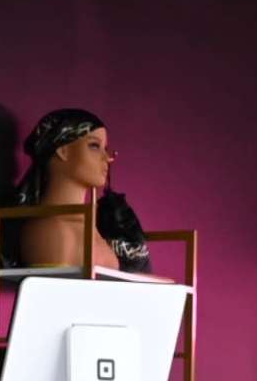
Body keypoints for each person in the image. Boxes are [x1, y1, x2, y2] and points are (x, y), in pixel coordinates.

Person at [8, 108, 151, 273]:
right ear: (62, 150)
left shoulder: (93, 228)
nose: (106, 158)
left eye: (105, 148)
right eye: (94, 146)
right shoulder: (51, 231)